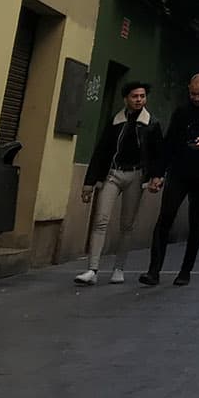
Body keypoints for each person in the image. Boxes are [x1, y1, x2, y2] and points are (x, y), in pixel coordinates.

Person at [140, 74, 199, 287]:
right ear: (188, 89)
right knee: (165, 218)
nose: (197, 98)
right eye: (193, 93)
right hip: (179, 172)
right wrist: (158, 174)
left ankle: (185, 270)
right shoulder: (181, 111)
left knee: (196, 221)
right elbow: (169, 143)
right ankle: (154, 270)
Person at [75, 80, 165, 285]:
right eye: (135, 96)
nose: (139, 100)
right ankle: (92, 269)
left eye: (142, 96)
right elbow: (101, 151)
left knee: (127, 225)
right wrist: (89, 183)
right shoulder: (115, 122)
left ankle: (119, 268)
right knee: (100, 220)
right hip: (112, 174)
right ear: (126, 99)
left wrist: (156, 177)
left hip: (136, 175)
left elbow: (159, 154)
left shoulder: (152, 124)